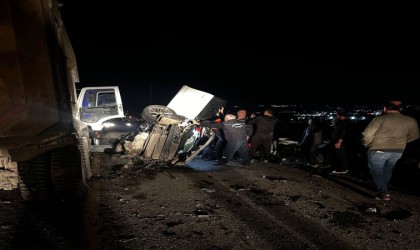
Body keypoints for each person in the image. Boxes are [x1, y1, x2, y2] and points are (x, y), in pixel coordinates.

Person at [362, 100, 419, 201]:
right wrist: (401, 142)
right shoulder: (411, 120)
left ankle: (383, 193)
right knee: (388, 170)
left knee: (376, 171)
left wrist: (367, 144)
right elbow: (415, 136)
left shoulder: (379, 119)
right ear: (400, 108)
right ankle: (383, 188)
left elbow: (367, 135)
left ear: (385, 108)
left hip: (378, 149)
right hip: (398, 150)